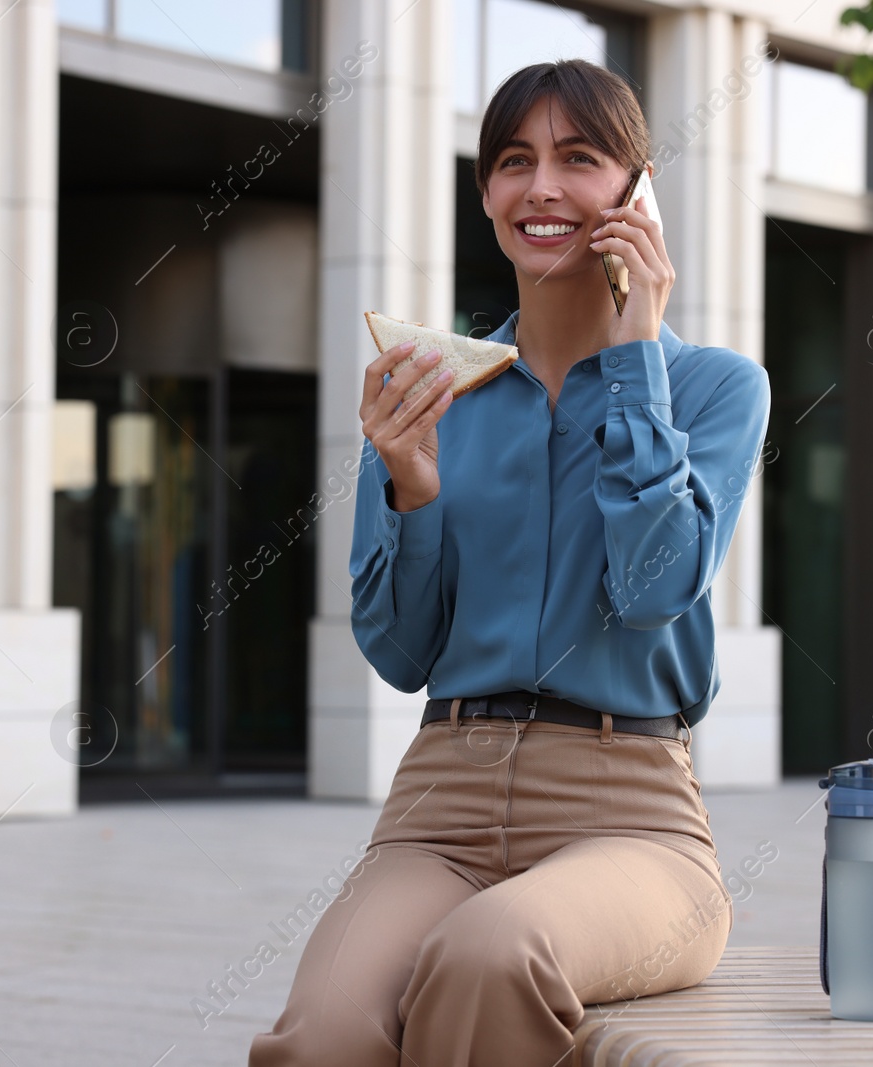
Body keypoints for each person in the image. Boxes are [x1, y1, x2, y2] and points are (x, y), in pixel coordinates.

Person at [248, 58, 773, 1067]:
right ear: (485, 192)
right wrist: (411, 484)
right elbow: (401, 652)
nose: (541, 188)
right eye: (512, 162)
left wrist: (632, 359)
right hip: (438, 802)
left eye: (578, 158)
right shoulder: (430, 389)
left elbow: (656, 585)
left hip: (632, 813)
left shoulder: (711, 388)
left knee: (490, 956)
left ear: (637, 189)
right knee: (321, 1035)